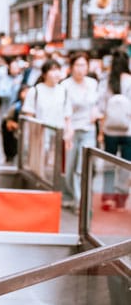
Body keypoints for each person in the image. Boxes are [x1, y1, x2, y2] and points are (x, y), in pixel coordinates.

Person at [60, 51, 100, 209]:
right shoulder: (65, 85)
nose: (80, 69)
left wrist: (96, 114)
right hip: (71, 130)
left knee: (81, 168)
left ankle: (80, 202)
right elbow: (66, 110)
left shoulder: (93, 83)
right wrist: (68, 130)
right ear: (71, 67)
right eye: (77, 65)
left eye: (83, 65)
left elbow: (95, 105)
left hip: (88, 130)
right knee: (69, 168)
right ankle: (71, 195)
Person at [97, 48, 131, 210]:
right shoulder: (130, 81)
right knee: (126, 164)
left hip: (110, 129)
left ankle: (108, 196)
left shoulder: (106, 81)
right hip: (129, 130)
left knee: (109, 164)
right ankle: (121, 197)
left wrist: (101, 130)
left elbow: (101, 108)